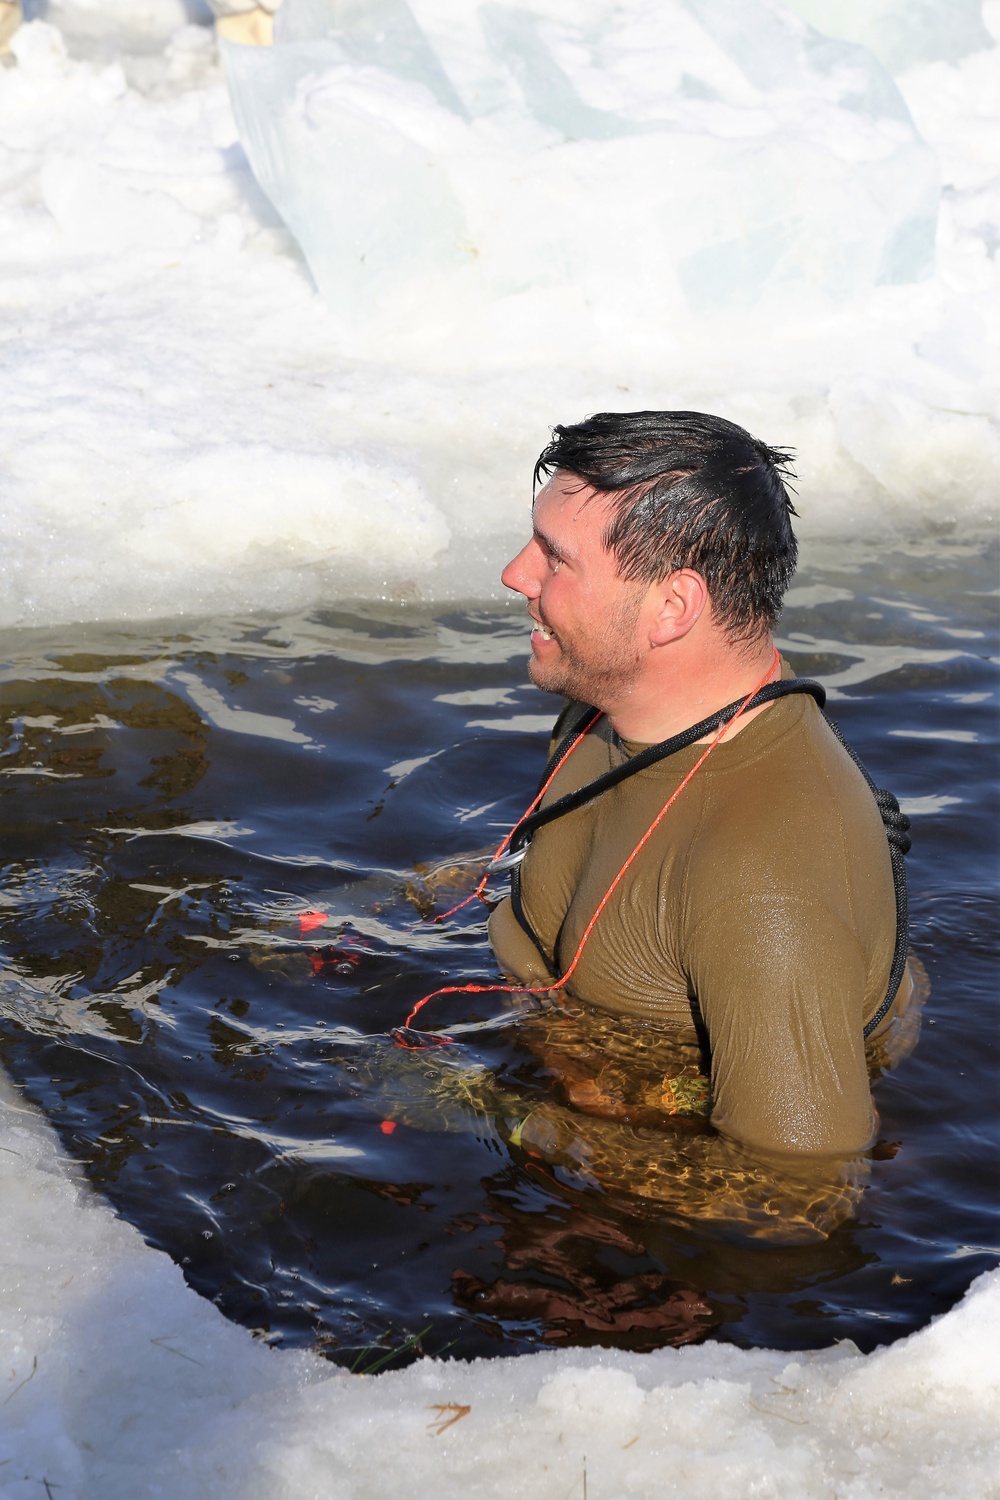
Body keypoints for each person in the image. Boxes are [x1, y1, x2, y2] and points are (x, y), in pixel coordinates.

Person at [472, 409, 921, 1237]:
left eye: (555, 558)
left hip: (625, 1232)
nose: (513, 573)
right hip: (556, 1072)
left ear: (672, 605)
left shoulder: (762, 890)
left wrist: (492, 1113)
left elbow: (802, 1198)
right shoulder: (604, 711)